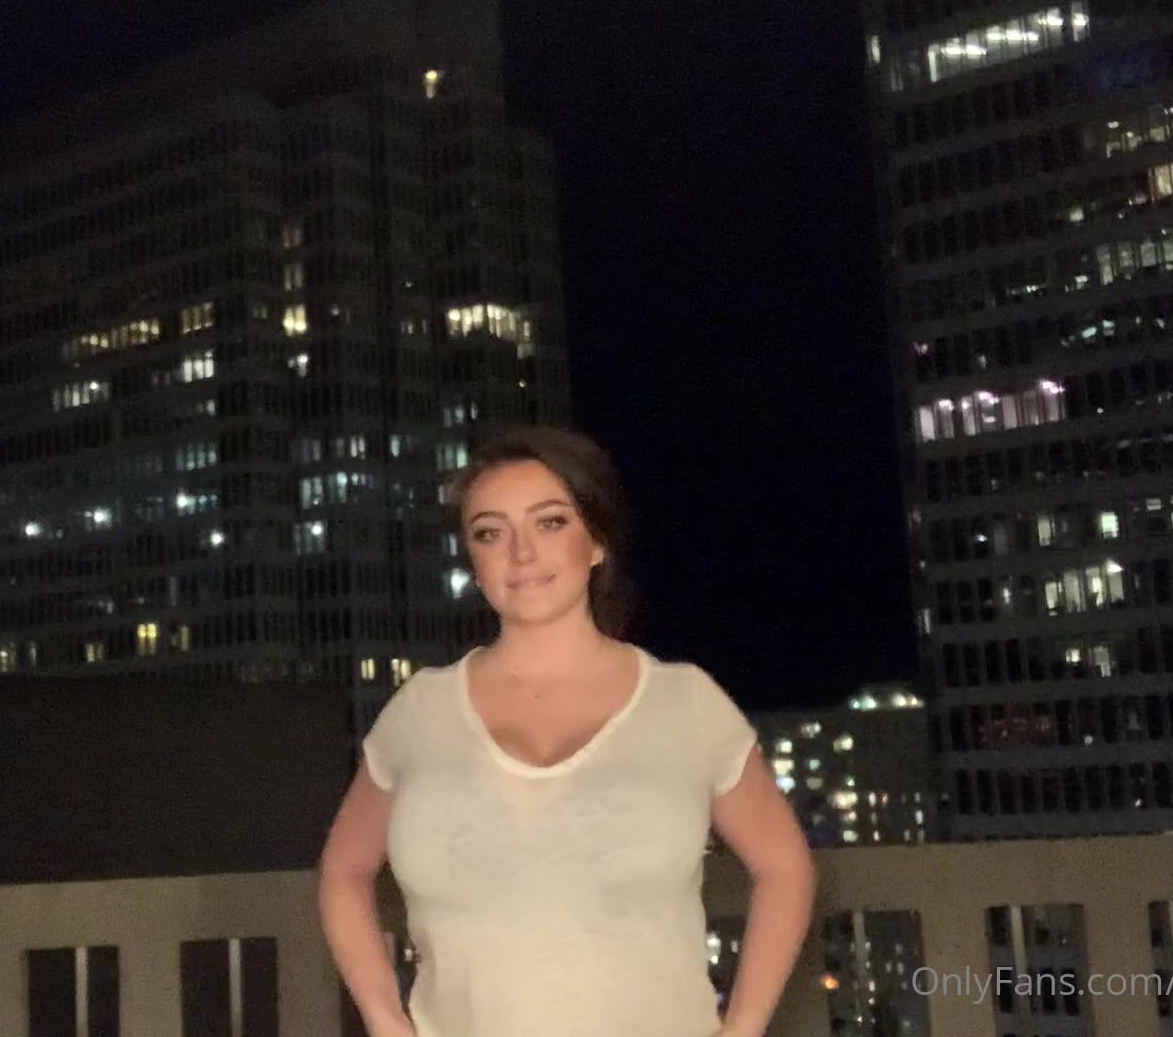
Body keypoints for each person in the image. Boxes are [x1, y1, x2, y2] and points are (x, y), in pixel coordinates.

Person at [317, 425, 817, 1037]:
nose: (522, 553)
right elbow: (343, 872)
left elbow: (784, 866)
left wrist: (744, 1026)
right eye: (490, 533)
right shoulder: (420, 712)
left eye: (550, 522)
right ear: (473, 561)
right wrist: (382, 1016)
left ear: (597, 541)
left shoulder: (684, 703)